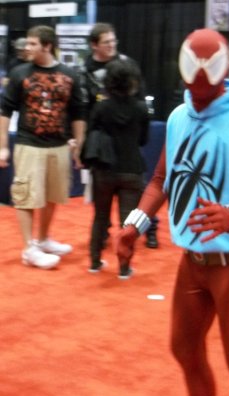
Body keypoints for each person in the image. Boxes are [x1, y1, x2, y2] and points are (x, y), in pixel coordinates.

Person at [116, 28, 229, 396]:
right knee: (184, 350)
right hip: (195, 259)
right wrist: (135, 223)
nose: (199, 81)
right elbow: (161, 180)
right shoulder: (178, 117)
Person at [0, 25, 86, 269]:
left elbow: (78, 112)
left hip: (59, 146)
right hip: (29, 145)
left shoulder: (70, 75)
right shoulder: (19, 74)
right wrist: (3, 146)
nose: (26, 48)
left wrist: (79, 145)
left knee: (52, 196)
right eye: (27, 43)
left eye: (32, 44)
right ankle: (29, 248)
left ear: (47, 46)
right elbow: (4, 111)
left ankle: (44, 239)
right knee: (26, 196)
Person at [82, 22, 158, 249]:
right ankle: (102, 233)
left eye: (114, 41)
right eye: (106, 42)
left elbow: (142, 98)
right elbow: (84, 106)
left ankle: (150, 228)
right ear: (94, 45)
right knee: (101, 199)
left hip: (127, 138)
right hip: (102, 142)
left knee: (138, 196)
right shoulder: (85, 71)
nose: (112, 45)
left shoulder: (127, 64)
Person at [85, 59, 149, 278]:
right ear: (133, 82)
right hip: (132, 169)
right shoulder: (141, 108)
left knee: (100, 217)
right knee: (128, 222)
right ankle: (124, 268)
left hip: (104, 169)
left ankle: (94, 262)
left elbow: (91, 134)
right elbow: (143, 140)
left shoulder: (101, 108)